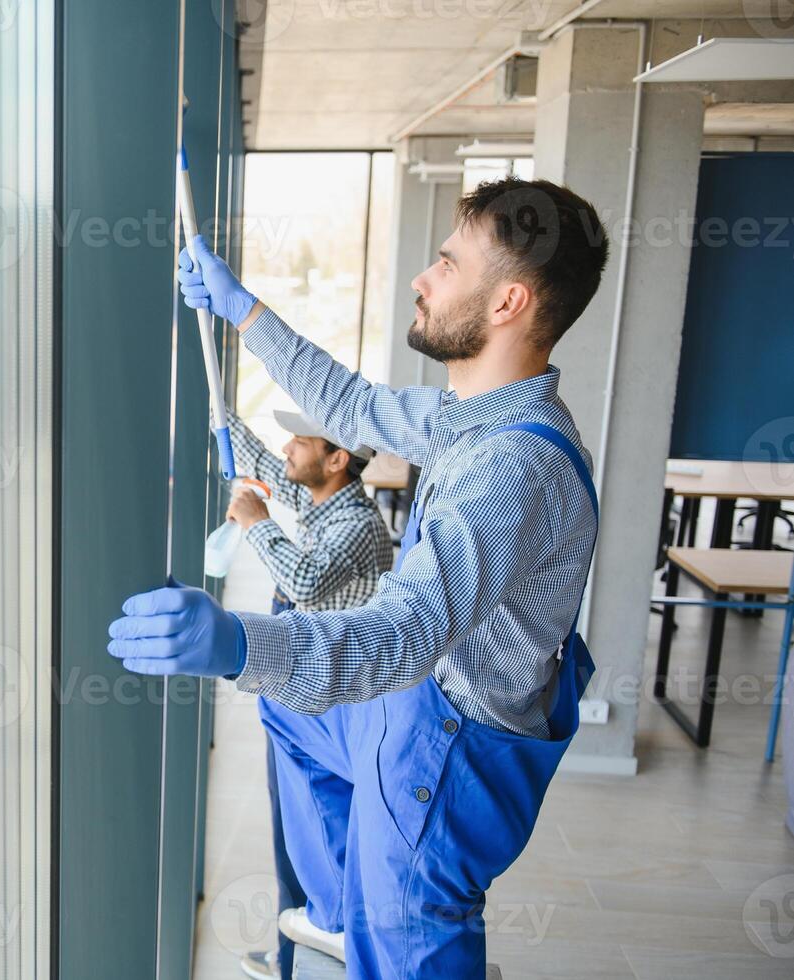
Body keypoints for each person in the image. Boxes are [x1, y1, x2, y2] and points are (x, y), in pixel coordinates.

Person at [109, 177, 608, 979]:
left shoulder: (511, 468)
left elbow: (399, 635)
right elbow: (352, 405)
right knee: (290, 713)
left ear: (507, 302)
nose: (423, 277)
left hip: (443, 763)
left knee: (409, 949)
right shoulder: (470, 418)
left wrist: (240, 642)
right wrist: (244, 310)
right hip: (407, 711)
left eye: (446, 265)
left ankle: (374, 920)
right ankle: (343, 914)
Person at [226, 409, 393, 980]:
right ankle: (293, 954)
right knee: (296, 832)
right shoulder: (323, 502)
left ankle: (314, 949)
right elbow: (263, 461)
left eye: (302, 440)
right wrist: (219, 417)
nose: (288, 447)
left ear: (337, 460)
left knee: (313, 830)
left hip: (331, 707)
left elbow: (301, 580)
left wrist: (256, 521)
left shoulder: (357, 524)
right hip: (312, 696)